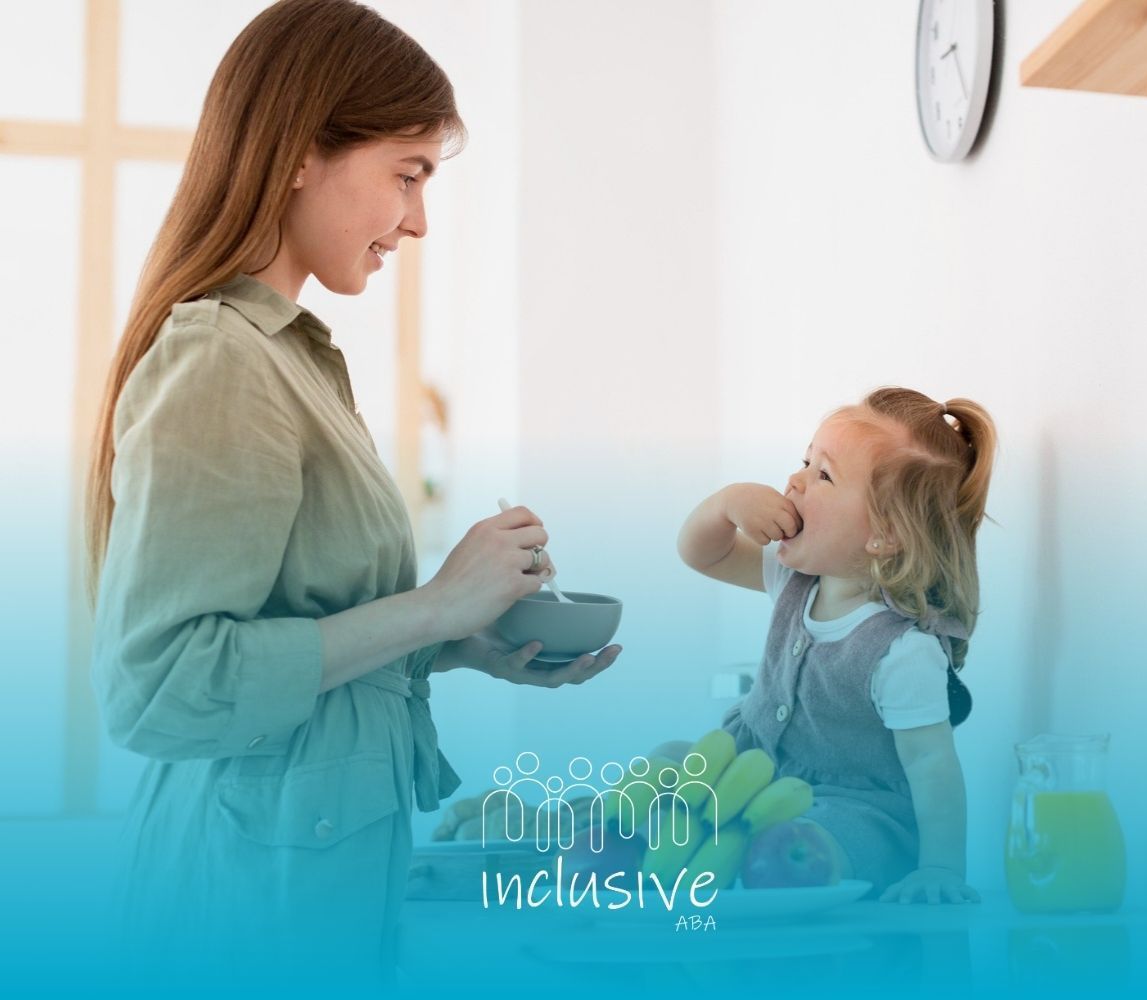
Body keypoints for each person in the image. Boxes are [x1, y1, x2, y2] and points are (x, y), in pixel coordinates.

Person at [85, 0, 619, 987]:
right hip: (240, 919)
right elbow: (158, 688)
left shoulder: (295, 361)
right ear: (301, 153)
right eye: (406, 175)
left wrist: (461, 644)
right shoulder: (220, 360)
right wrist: (433, 605)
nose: (417, 220)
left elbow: (301, 644)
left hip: (304, 902)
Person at [673, 387, 996, 903]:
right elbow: (701, 554)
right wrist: (725, 503)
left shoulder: (902, 652)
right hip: (753, 773)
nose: (795, 480)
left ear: (884, 535)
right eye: (804, 461)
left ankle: (742, 866)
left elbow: (934, 770)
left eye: (823, 475)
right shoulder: (792, 577)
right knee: (670, 763)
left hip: (851, 810)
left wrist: (941, 869)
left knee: (805, 841)